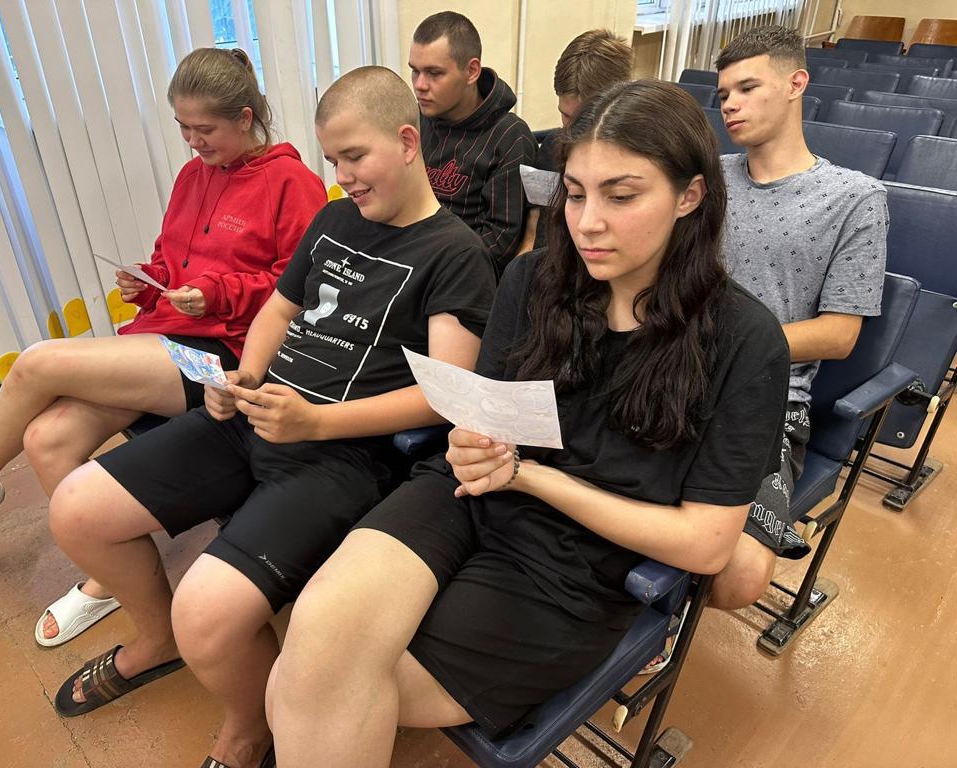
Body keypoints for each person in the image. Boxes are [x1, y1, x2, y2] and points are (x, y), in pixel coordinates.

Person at [266, 80, 791, 766]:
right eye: (574, 194)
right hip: (468, 493)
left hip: (575, 562)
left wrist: (533, 478)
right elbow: (489, 412)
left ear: (689, 196)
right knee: (311, 653)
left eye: (621, 196)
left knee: (330, 688)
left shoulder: (745, 341)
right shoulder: (533, 281)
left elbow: (706, 545)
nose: (588, 222)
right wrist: (472, 441)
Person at [46, 66, 495, 768]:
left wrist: (313, 423)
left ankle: (248, 726)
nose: (343, 177)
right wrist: (244, 378)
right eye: (333, 160)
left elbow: (447, 395)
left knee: (207, 613)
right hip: (258, 414)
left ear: (407, 142)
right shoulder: (335, 219)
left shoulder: (454, 254)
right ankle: (159, 641)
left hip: (343, 455)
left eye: (355, 157)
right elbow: (278, 312)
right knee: (76, 509)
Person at [0, 47, 327, 648]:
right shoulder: (193, 176)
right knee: (46, 439)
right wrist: (150, 280)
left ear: (246, 118)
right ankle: (114, 575)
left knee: (37, 363)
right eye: (183, 128)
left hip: (229, 355)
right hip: (168, 336)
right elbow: (174, 258)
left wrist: (214, 293)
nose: (192, 141)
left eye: (204, 129)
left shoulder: (292, 183)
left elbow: (298, 288)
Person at [706, 25, 888, 612]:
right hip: (673, 371)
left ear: (795, 83)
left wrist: (729, 347)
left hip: (765, 399)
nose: (729, 105)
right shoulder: (710, 180)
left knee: (740, 577)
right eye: (723, 93)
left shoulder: (854, 198)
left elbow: (839, 335)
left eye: (747, 88)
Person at [409, 11, 537, 273]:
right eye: (415, 71)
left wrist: (427, 265)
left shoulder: (509, 137)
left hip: (459, 274)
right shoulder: (414, 121)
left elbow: (499, 245)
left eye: (434, 73)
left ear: (471, 71)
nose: (420, 85)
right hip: (406, 257)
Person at [522, 28, 634, 252]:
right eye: (565, 115)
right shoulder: (553, 147)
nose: (570, 130)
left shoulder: (640, 161)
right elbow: (534, 230)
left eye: (583, 119)